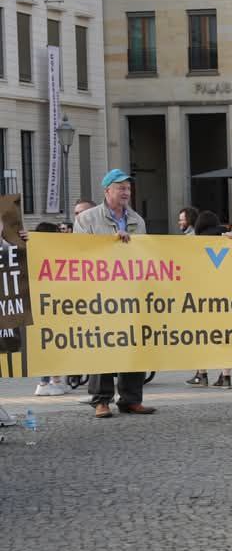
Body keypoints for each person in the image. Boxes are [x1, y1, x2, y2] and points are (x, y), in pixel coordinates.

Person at [73, 170, 156, 419]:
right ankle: (101, 400)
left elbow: (144, 254)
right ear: (107, 190)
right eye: (120, 188)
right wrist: (111, 243)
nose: (126, 193)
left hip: (131, 292)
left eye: (128, 189)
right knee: (102, 344)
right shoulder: (87, 219)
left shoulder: (137, 220)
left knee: (134, 343)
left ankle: (131, 399)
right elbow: (79, 251)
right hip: (100, 293)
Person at [189, 210, 232, 389]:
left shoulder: (196, 242)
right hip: (227, 296)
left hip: (202, 296)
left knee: (202, 337)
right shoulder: (228, 239)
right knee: (225, 338)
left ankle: (202, 374)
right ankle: (226, 377)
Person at [29, 222, 71, 397]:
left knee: (55, 344)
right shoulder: (39, 253)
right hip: (46, 305)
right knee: (49, 344)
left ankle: (55, 380)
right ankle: (44, 383)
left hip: (52, 304)